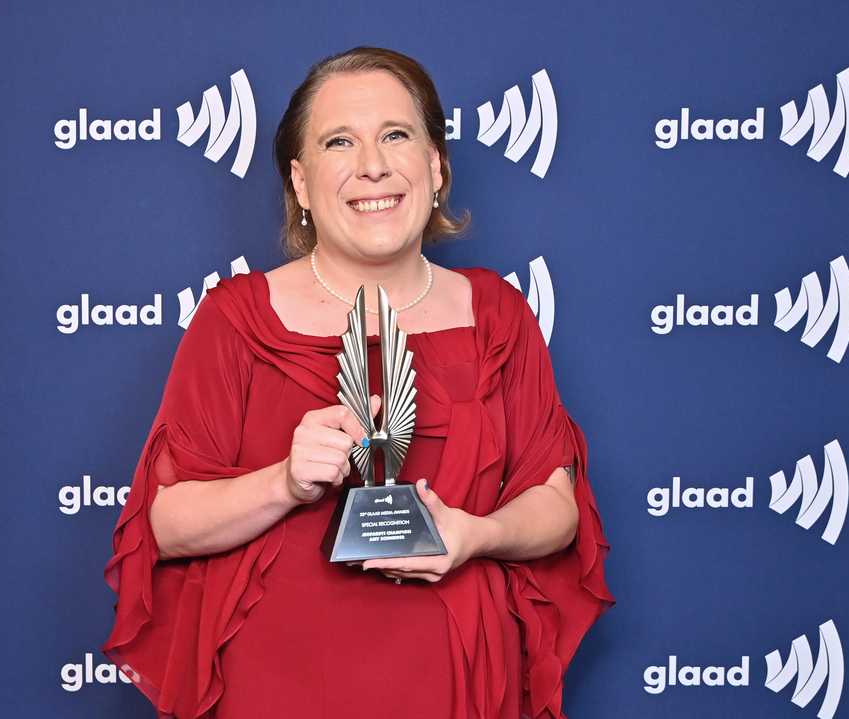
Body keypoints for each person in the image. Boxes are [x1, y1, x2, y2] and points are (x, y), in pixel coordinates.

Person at [103, 46, 614, 719]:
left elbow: (557, 505)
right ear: (301, 182)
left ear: (435, 167)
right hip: (277, 684)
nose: (373, 164)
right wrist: (283, 481)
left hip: (454, 679)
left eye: (396, 135)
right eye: (339, 141)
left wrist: (474, 533)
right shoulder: (236, 318)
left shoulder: (496, 316)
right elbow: (163, 524)